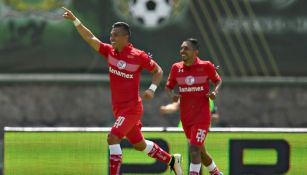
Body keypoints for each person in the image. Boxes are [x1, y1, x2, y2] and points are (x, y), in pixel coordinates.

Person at [62, 7, 182, 175]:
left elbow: (158, 71)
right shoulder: (109, 52)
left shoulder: (138, 55)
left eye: (115, 35)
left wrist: (152, 89)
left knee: (113, 138)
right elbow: (90, 38)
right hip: (119, 109)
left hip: (132, 108)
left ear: (125, 37)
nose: (112, 38)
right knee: (139, 145)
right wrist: (75, 20)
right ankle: (172, 160)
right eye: (111, 35)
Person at [164, 38, 223, 175]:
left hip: (202, 118)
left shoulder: (206, 66)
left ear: (196, 52)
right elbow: (168, 87)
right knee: (201, 152)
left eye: (186, 48)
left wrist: (215, 92)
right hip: (186, 119)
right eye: (181, 48)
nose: (182, 51)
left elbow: (218, 80)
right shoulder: (176, 68)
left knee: (194, 150)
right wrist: (171, 96)